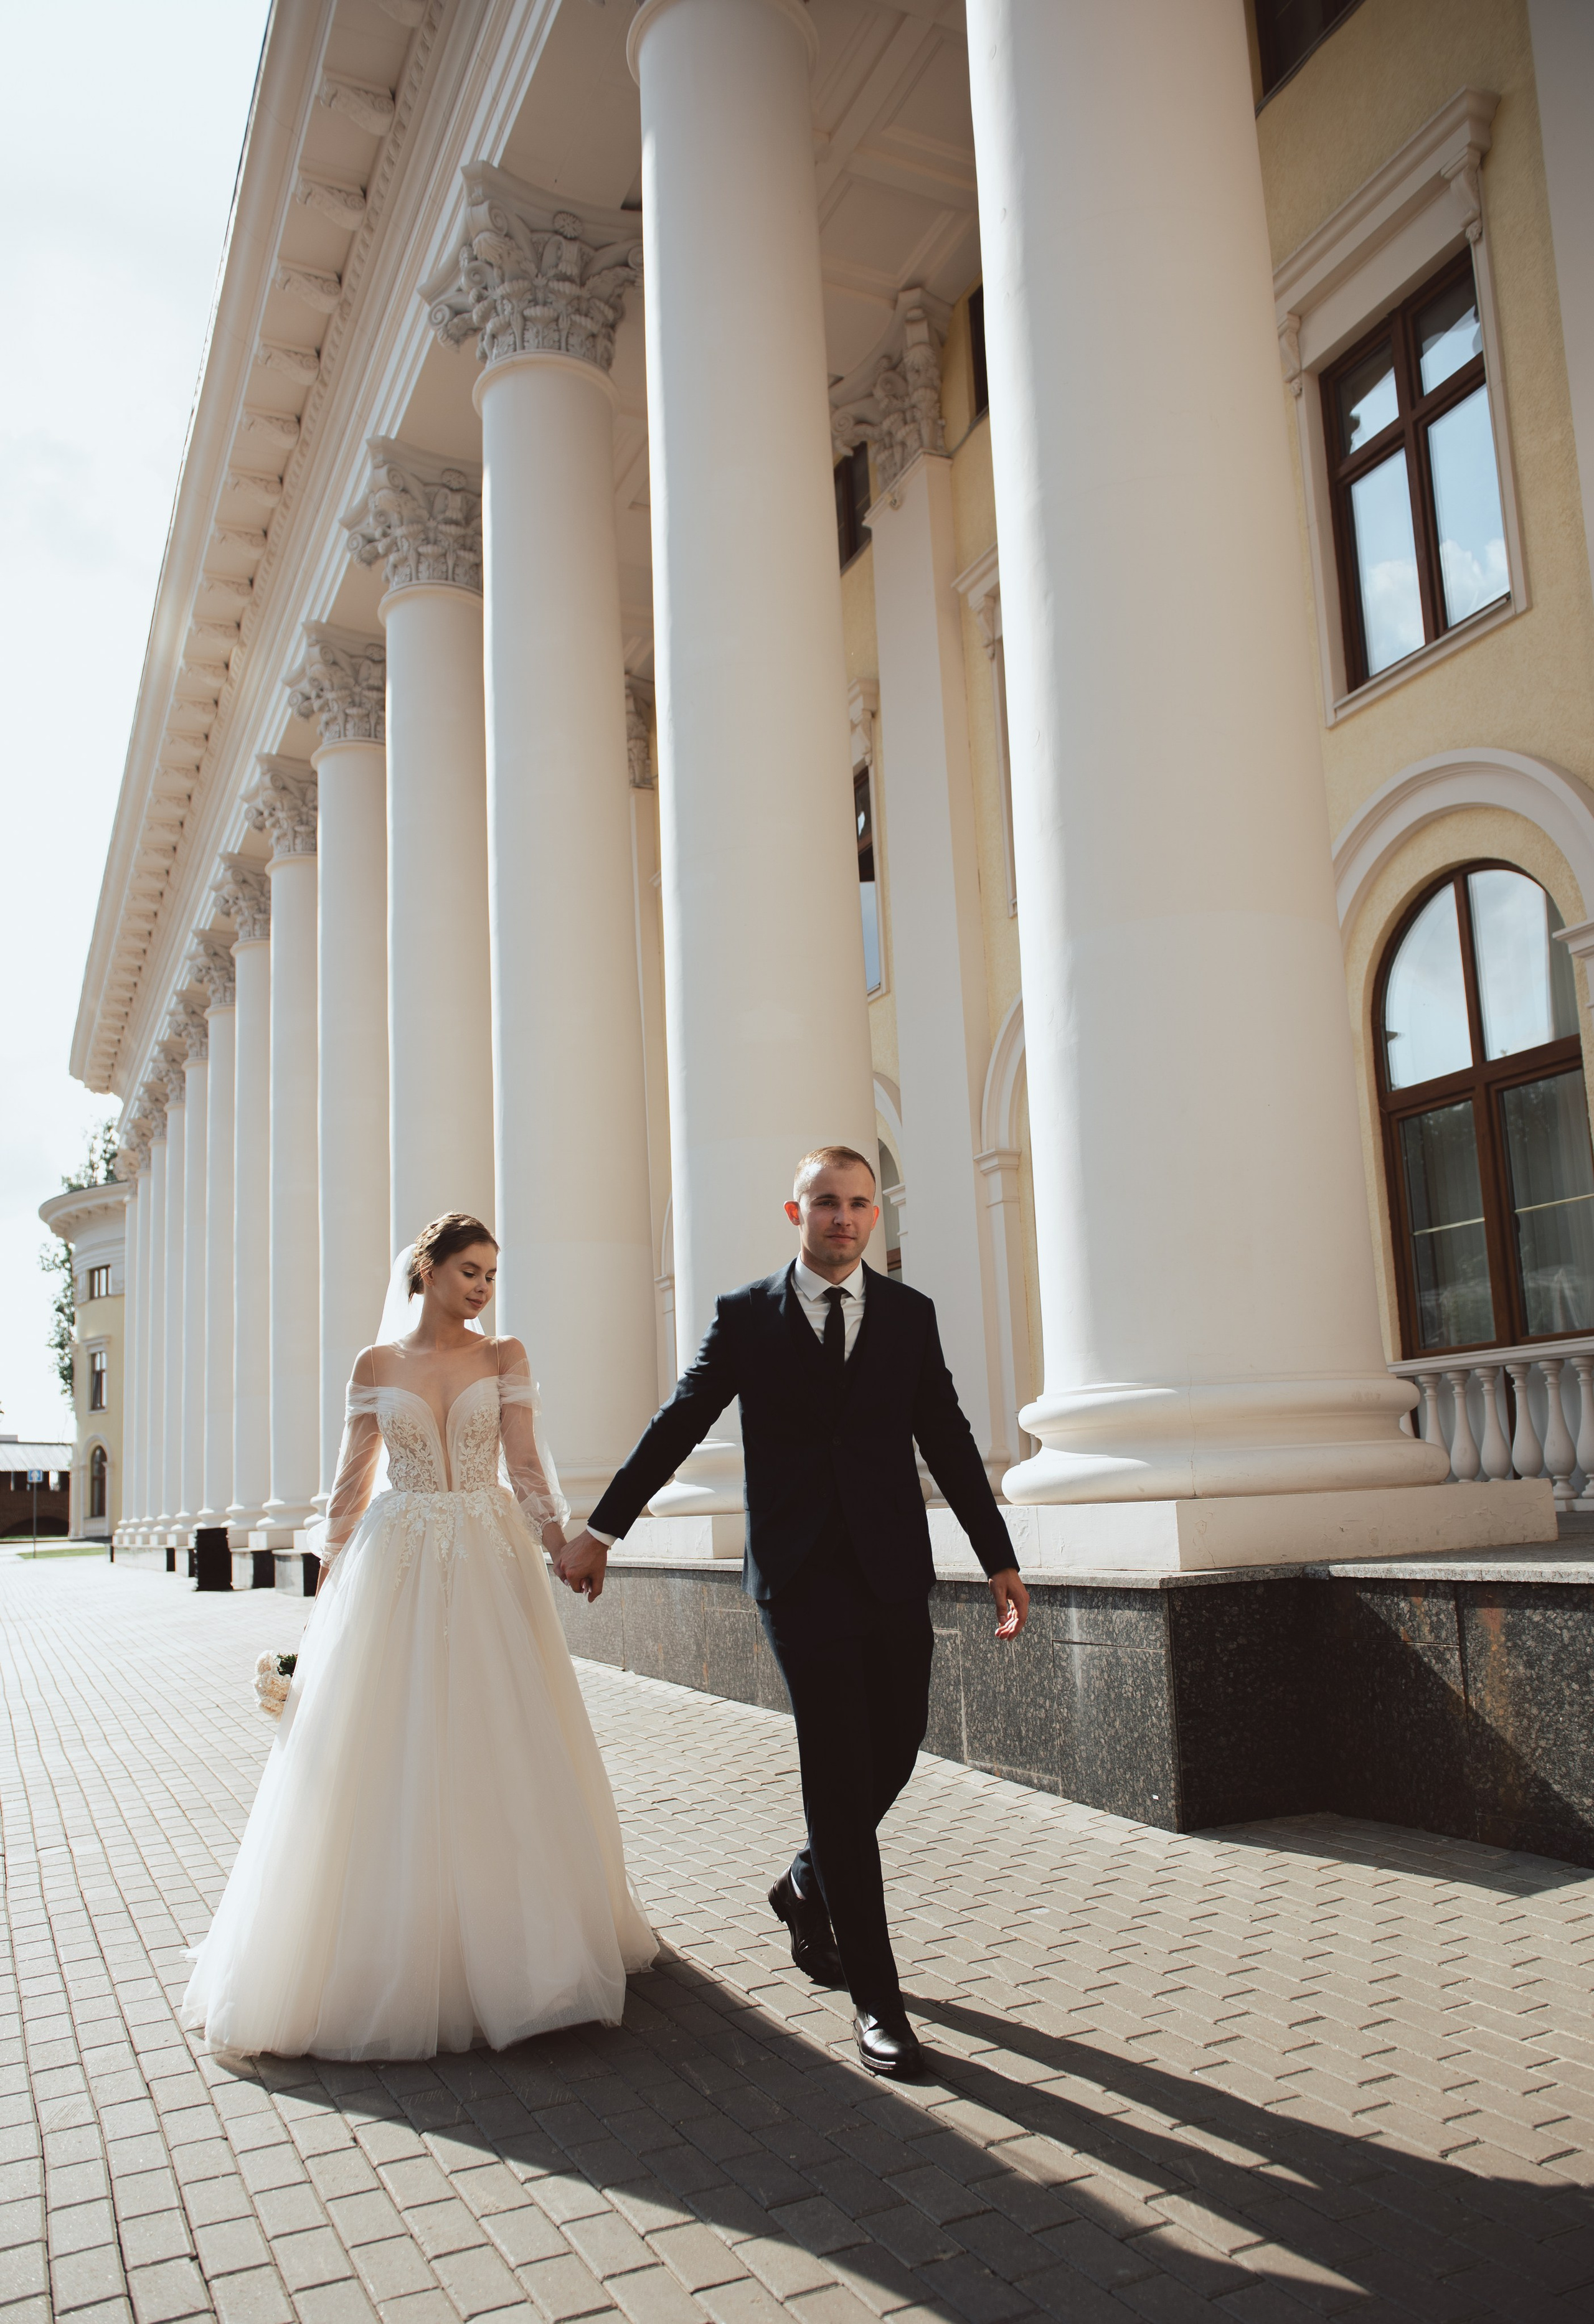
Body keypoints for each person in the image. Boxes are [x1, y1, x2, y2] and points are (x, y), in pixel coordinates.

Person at [557, 1147, 1027, 2079]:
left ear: (874, 1215)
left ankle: (808, 1882)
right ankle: (878, 2001)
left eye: (858, 1203)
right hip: (800, 1578)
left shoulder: (909, 1313)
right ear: (796, 1211)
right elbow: (680, 1420)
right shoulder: (745, 1316)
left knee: (898, 1743)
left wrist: (998, 1557)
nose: (843, 1217)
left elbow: (946, 1434)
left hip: (892, 1570)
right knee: (838, 1773)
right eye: (825, 1202)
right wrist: (603, 1529)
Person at [181, 1212, 655, 2060]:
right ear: (427, 1270)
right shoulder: (375, 1365)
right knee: (389, 1739)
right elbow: (351, 1479)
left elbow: (525, 1467)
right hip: (393, 1559)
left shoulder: (504, 1355)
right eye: (469, 1271)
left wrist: (561, 1546)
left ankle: (524, 1943)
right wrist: (329, 1579)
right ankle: (392, 1946)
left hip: (488, 1555)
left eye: (491, 1275)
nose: (482, 1289)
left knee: (499, 1729)